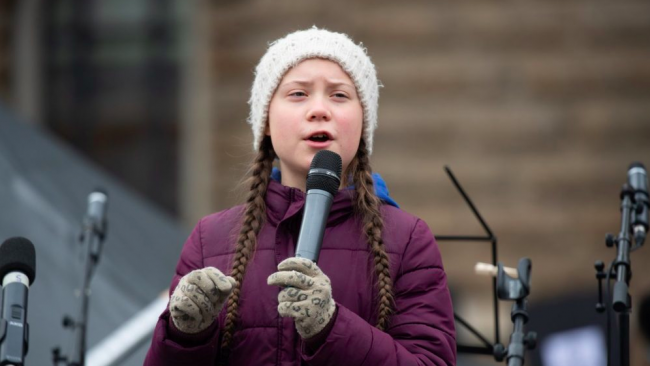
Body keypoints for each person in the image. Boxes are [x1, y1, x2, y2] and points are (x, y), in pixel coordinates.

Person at [144, 26, 456, 366]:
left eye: (339, 95)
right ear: (265, 121)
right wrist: (185, 334)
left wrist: (332, 326)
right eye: (298, 94)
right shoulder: (210, 239)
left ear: (363, 122)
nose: (319, 109)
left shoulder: (408, 239)